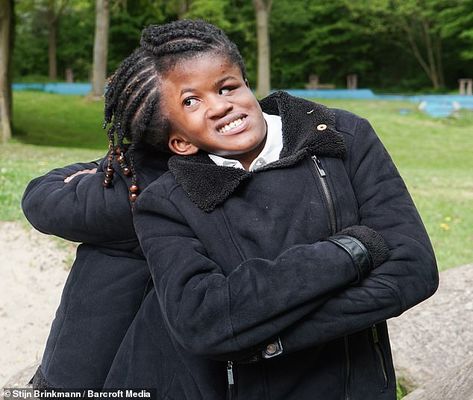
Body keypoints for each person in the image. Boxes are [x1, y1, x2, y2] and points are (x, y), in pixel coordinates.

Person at [99, 20, 439, 400]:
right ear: (179, 142)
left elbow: (413, 270)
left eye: (227, 86)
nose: (220, 105)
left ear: (247, 85)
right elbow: (201, 320)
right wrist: (352, 251)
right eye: (190, 102)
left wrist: (263, 341)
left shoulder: (344, 135)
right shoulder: (166, 203)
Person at [21, 46, 171, 388]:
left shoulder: (123, 191)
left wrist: (97, 171)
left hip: (84, 369)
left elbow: (39, 197)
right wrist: (104, 168)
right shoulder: (198, 178)